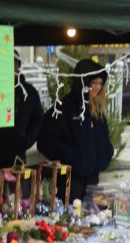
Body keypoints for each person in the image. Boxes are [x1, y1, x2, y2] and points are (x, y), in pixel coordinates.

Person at [37, 59, 114, 202]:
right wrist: (72, 156)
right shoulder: (63, 108)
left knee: (91, 219)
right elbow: (44, 140)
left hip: (92, 179)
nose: (97, 87)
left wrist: (107, 153)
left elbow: (103, 139)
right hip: (70, 180)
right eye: (93, 83)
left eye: (100, 83)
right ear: (83, 82)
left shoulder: (96, 111)